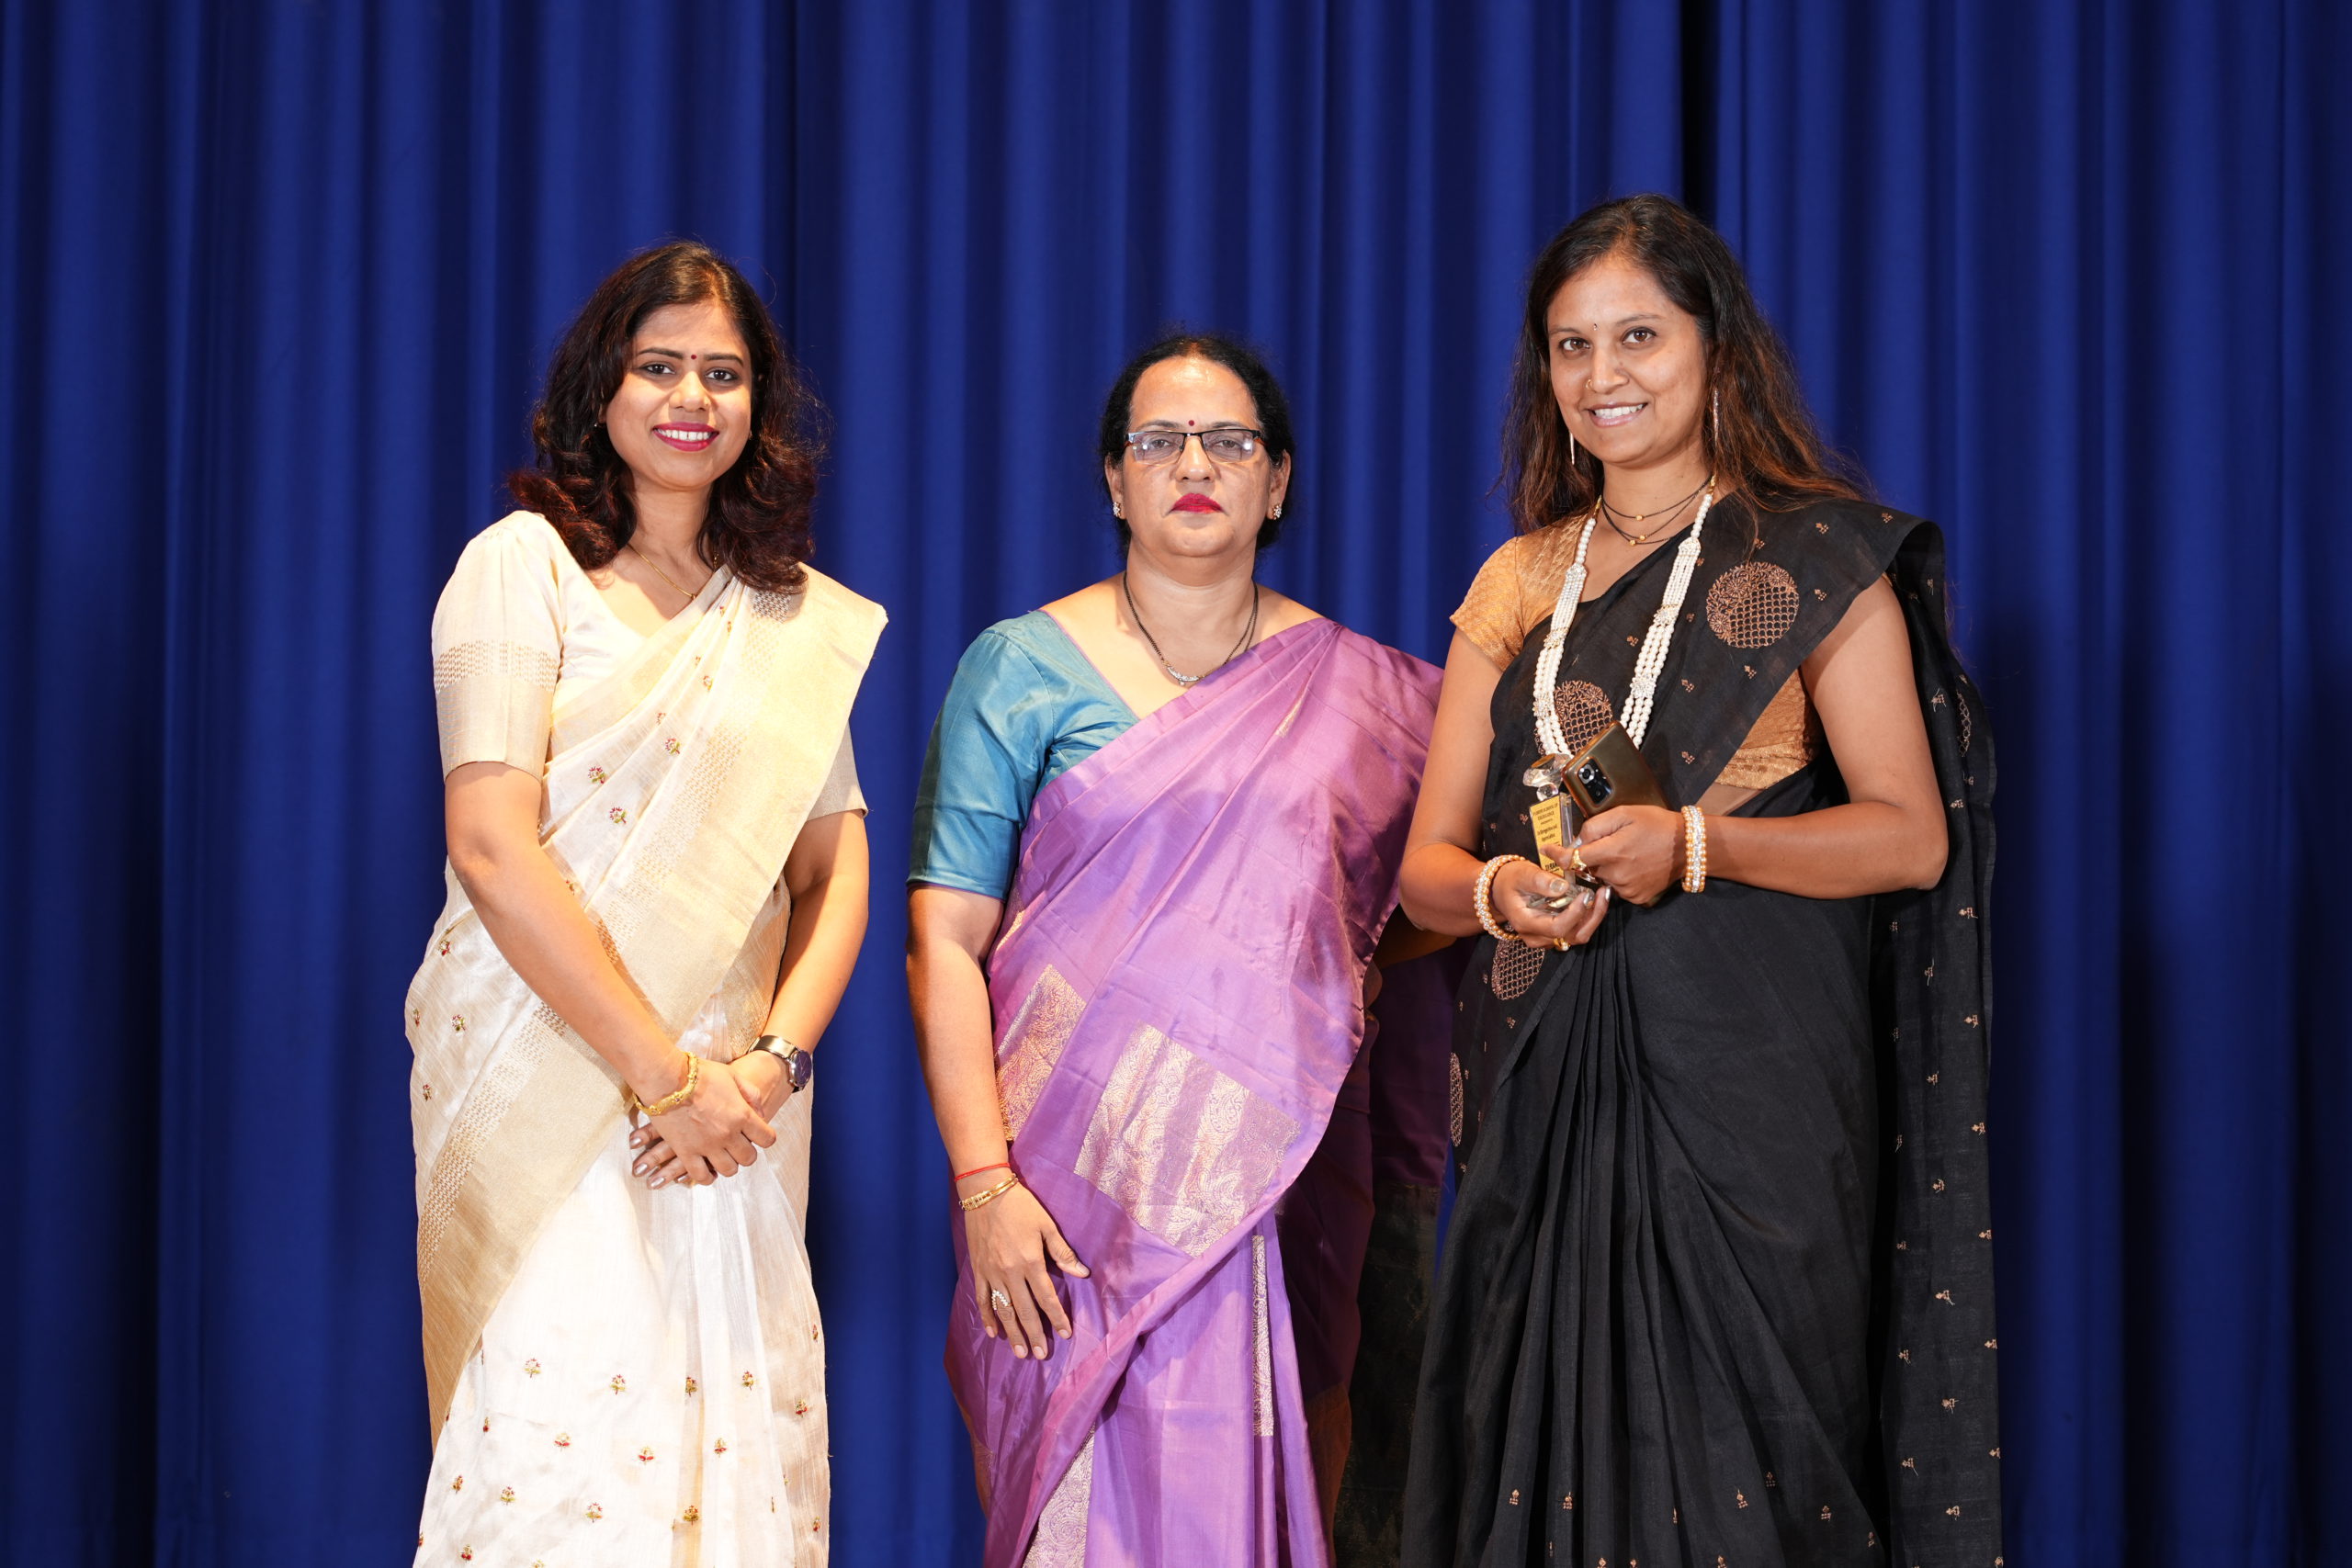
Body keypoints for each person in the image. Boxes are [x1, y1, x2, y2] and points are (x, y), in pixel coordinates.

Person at [1397, 195, 2000, 1568]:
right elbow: (1424, 870)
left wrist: (1698, 847)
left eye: (1639, 337)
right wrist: (1501, 893)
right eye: (1570, 346)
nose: (1602, 375)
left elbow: (1909, 836)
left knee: (1750, 1475)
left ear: (1716, 349)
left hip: (1754, 1099)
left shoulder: (1812, 557)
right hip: (1543, 1086)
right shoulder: (1519, 581)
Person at [907, 333, 1453, 1566]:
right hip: (1059, 1194)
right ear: (1115, 479)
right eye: (1158, 441)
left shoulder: (1375, 700)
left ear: (1279, 479)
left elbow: (1437, 893)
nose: (1193, 466)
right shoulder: (1019, 669)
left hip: (1277, 1179)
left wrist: (1330, 969)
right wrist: (986, 1186)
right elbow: (944, 938)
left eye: (1229, 441)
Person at [407, 241, 885, 1565]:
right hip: (557, 1080)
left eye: (724, 374)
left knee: (725, 1450)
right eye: (658, 366)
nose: (692, 398)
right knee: (561, 1459)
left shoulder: (785, 618)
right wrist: (663, 1079)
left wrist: (767, 1069)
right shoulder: (521, 568)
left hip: (735, 1115)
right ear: (600, 390)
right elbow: (491, 847)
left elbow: (834, 870)